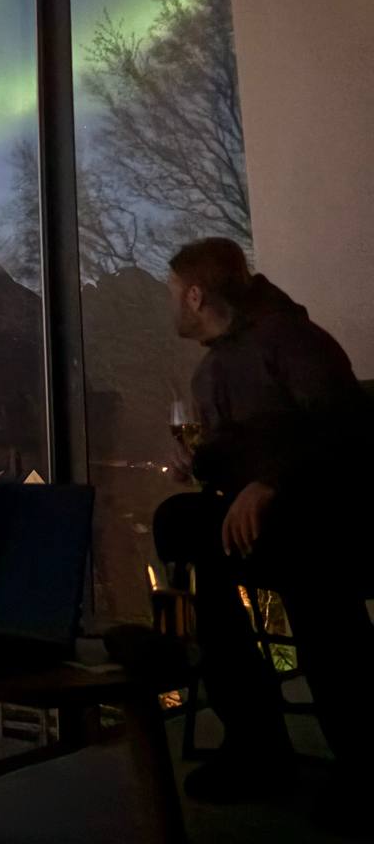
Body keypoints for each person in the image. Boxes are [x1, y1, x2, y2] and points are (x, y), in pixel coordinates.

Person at [155, 237, 374, 820]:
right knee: (182, 525)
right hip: (270, 520)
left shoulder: (292, 341)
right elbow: (238, 456)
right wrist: (200, 464)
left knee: (309, 564)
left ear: (195, 295)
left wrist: (270, 483)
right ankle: (255, 742)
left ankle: (363, 761)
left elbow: (346, 428)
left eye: (173, 293)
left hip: (330, 514)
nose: (170, 305)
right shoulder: (211, 373)